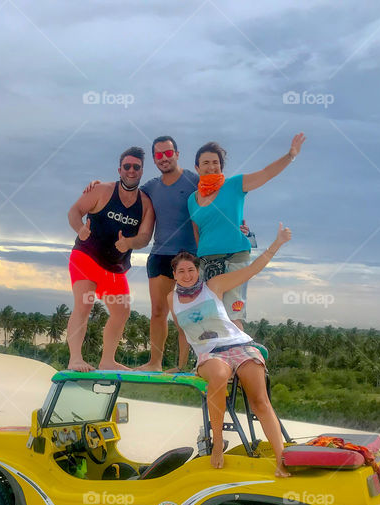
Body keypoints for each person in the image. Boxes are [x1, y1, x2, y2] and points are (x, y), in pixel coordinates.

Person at [83, 136, 251, 373]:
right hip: (160, 256)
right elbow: (125, 191)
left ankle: (183, 365)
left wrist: (242, 227)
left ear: (177, 154)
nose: (164, 158)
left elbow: (225, 201)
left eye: (168, 153)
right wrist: (99, 185)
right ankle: (155, 362)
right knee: (158, 312)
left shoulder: (196, 181)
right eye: (159, 155)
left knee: (188, 314)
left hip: (190, 258)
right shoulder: (151, 187)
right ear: (154, 159)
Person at [169, 224, 292, 475]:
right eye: (181, 271)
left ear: (198, 270)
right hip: (210, 354)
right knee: (219, 376)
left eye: (191, 269)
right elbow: (183, 333)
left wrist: (277, 243)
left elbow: (251, 270)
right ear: (174, 275)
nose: (187, 274)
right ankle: (216, 444)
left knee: (259, 401)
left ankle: (281, 459)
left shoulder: (213, 286)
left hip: (240, 346)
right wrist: (181, 364)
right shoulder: (171, 299)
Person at [189, 134, 305, 330]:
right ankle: (213, 360)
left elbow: (266, 173)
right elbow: (198, 232)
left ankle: (242, 358)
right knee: (209, 317)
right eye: (206, 162)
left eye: (215, 162)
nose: (211, 166)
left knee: (232, 315)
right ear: (197, 168)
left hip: (235, 258)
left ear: (221, 166)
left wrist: (290, 155)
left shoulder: (234, 185)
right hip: (206, 262)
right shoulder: (192, 199)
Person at [66, 147, 154, 371]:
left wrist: (129, 243)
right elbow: (74, 211)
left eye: (136, 167)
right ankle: (75, 358)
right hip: (86, 256)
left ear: (142, 170)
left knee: (122, 312)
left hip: (114, 267)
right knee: (84, 304)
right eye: (127, 166)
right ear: (119, 169)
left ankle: (107, 360)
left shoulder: (145, 203)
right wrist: (80, 229)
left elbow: (144, 237)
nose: (131, 170)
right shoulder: (102, 190)